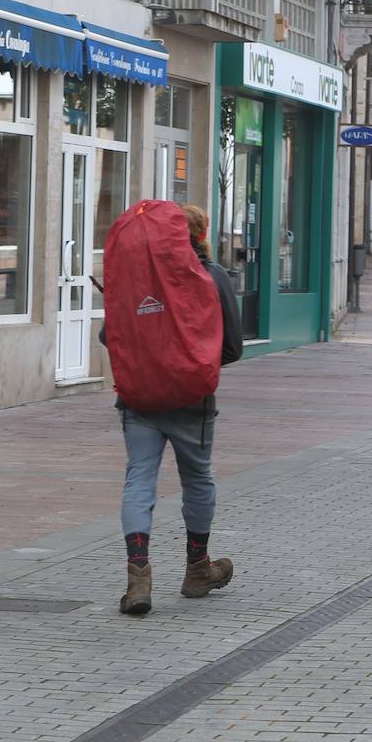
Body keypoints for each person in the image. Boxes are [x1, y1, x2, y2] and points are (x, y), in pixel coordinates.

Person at [105, 203, 244, 616]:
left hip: (138, 399)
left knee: (139, 481)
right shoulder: (213, 277)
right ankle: (197, 568)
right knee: (197, 479)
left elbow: (107, 334)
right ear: (201, 236)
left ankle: (138, 577)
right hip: (191, 401)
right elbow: (232, 349)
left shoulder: (135, 279)